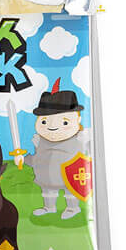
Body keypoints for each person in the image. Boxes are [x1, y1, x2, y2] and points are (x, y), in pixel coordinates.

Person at [19, 78, 91, 220]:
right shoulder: (40, 141)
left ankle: (72, 208)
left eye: (64, 122)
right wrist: (23, 159)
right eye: (44, 121)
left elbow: (87, 156)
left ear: (77, 120)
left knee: (70, 191)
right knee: (47, 191)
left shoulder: (79, 140)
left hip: (69, 175)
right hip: (46, 175)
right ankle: (49, 207)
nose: (52, 126)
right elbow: (37, 159)